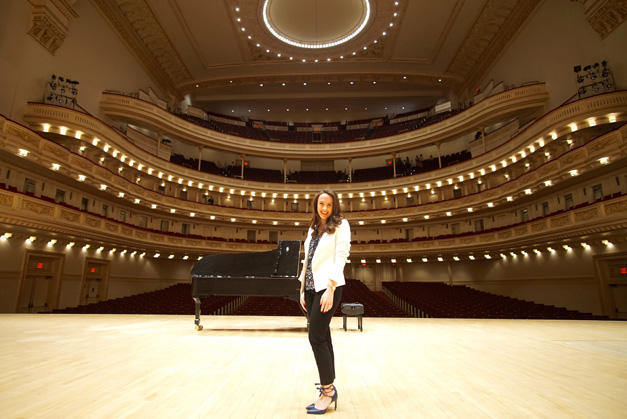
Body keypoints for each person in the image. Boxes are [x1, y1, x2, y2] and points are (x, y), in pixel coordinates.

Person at [299, 189, 351, 415]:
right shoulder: (313, 229)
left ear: (334, 206)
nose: (324, 208)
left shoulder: (341, 225)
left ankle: (328, 391)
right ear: (316, 205)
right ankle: (328, 385)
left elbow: (341, 257)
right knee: (323, 335)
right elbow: (307, 260)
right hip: (310, 289)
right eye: (321, 204)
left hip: (328, 288)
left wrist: (330, 288)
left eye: (329, 205)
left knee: (315, 337)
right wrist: (302, 290)